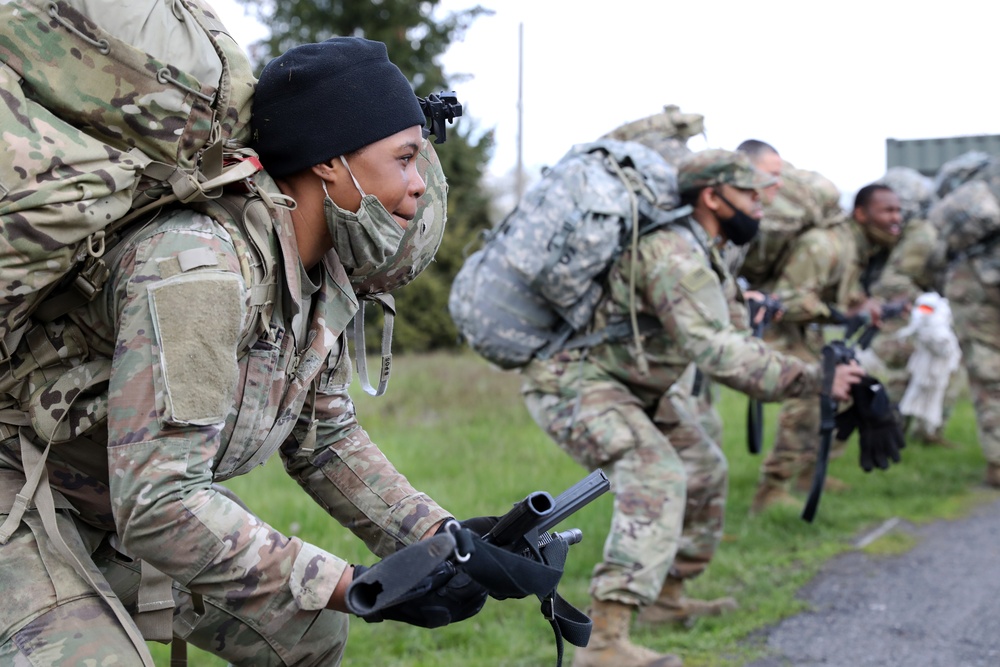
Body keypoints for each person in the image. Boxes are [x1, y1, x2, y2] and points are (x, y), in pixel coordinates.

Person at [0, 36, 489, 665]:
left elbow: (325, 442)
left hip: (107, 505)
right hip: (24, 495)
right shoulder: (198, 269)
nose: (419, 186)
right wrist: (349, 584)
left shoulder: (315, 277)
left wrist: (444, 540)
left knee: (307, 633)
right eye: (405, 159)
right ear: (330, 163)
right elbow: (161, 505)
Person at [521, 148, 865, 667]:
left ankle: (665, 595)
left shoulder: (705, 249)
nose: (761, 207)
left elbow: (728, 330)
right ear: (712, 197)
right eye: (750, 195)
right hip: (572, 381)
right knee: (653, 471)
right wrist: (818, 379)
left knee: (704, 468)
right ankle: (607, 643)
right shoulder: (674, 253)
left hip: (629, 383)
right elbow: (721, 353)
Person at [748, 179, 890, 513]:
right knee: (815, 390)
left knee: (850, 382)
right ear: (861, 213)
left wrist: (865, 307)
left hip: (800, 332)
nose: (895, 218)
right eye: (888, 209)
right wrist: (838, 314)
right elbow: (788, 300)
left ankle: (809, 473)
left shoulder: (854, 248)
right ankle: (771, 489)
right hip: (771, 330)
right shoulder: (824, 245)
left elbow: (846, 294)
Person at [930, 153, 1000, 488]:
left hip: (974, 282)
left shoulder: (976, 171)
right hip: (978, 284)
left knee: (989, 374)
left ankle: (998, 462)